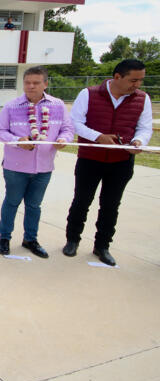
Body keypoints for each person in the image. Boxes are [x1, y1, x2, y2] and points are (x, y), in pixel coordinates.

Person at [62, 59, 152, 266]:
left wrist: (139, 141)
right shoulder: (89, 94)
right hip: (90, 159)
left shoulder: (142, 99)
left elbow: (144, 127)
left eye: (140, 80)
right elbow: (75, 122)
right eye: (133, 80)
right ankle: (72, 240)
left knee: (111, 205)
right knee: (81, 201)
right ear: (117, 77)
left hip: (121, 161)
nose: (137, 85)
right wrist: (97, 136)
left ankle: (102, 245)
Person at [0, 67, 74, 257]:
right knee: (12, 202)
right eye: (27, 82)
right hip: (15, 167)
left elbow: (68, 129)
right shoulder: (11, 106)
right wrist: (18, 142)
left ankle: (30, 239)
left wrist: (64, 140)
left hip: (44, 167)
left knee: (34, 205)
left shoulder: (58, 105)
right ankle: (4, 237)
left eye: (36, 83)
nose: (31, 86)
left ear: (45, 84)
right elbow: (0, 131)